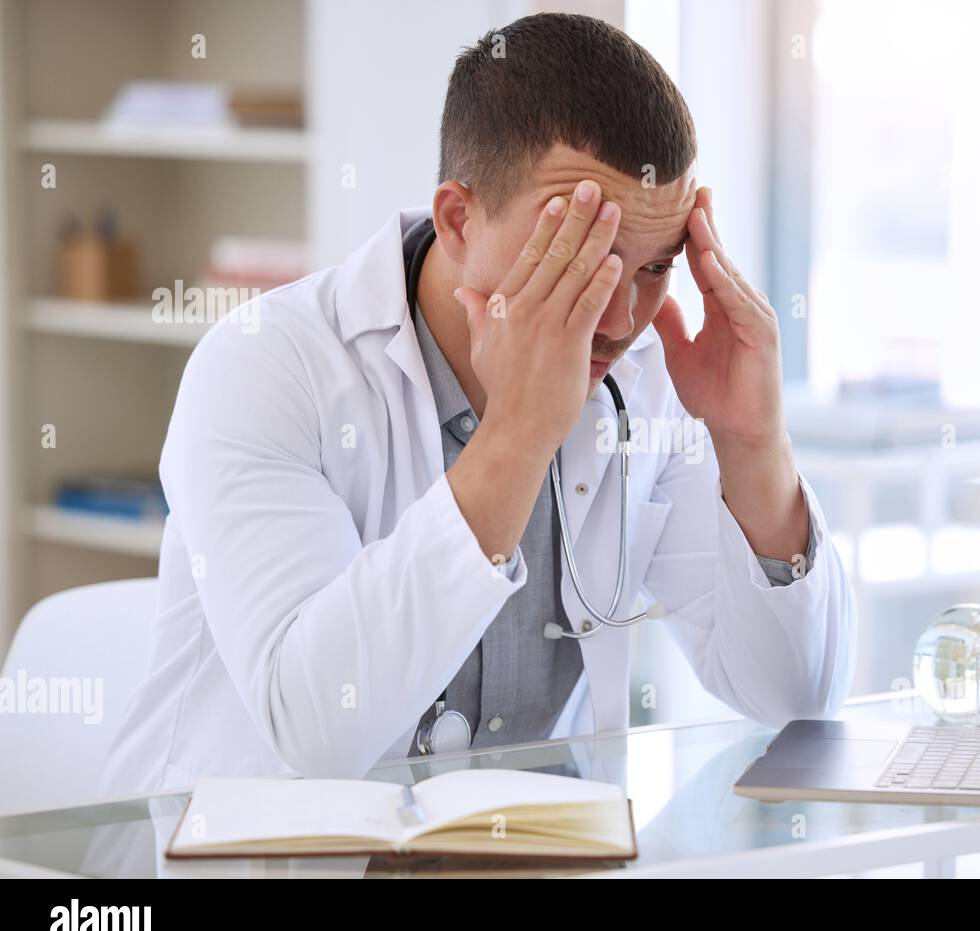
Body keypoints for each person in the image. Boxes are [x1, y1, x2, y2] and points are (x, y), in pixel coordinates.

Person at [101, 12, 856, 796]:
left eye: (654, 267)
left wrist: (753, 445)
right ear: (460, 220)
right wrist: (519, 437)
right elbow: (319, 729)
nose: (622, 321)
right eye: (585, 260)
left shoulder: (644, 379)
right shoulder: (263, 364)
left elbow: (796, 702)